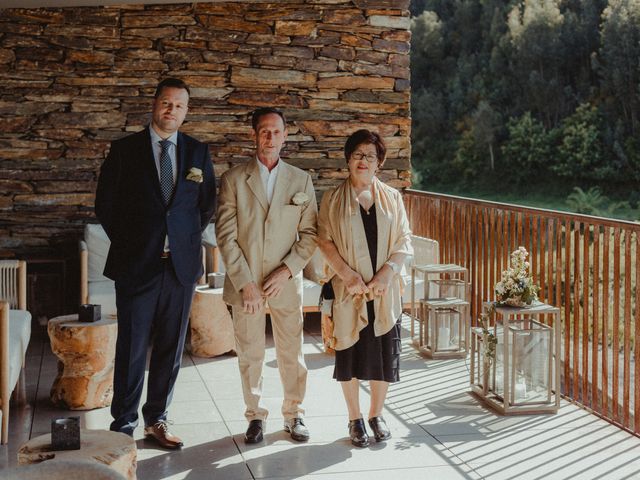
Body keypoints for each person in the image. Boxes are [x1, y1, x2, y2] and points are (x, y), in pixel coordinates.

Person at [95, 78, 216, 449]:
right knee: (132, 346)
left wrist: (181, 240)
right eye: (166, 103)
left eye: (179, 106)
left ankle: (157, 420)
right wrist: (136, 244)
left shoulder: (197, 152)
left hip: (179, 268)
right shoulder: (125, 150)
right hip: (136, 266)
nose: (171, 111)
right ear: (154, 104)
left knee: (170, 347)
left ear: (186, 111)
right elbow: (106, 205)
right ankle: (123, 424)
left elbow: (206, 204)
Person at [216, 107, 317, 444]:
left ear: (285, 135)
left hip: (286, 283)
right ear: (254, 135)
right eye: (264, 131)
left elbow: (310, 234)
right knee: (250, 352)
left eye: (276, 131)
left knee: (292, 351)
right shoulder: (233, 179)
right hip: (247, 286)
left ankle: (295, 414)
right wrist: (245, 283)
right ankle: (255, 416)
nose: (270, 137)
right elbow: (226, 236)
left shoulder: (301, 180)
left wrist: (288, 270)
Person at [317, 129, 412, 447]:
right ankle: (355, 419)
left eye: (370, 156)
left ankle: (376, 415)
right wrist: (346, 275)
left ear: (379, 162)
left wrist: (387, 273)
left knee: (384, 357)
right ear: (348, 158)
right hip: (350, 291)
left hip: (383, 293)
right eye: (357, 154)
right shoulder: (333, 198)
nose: (363, 160)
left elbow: (404, 241)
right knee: (350, 357)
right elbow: (324, 241)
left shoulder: (393, 198)